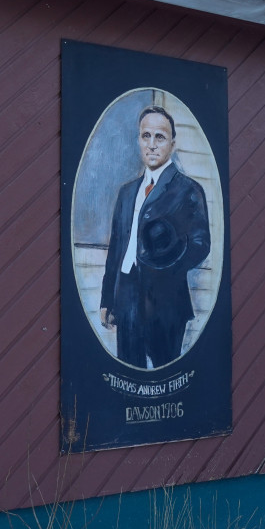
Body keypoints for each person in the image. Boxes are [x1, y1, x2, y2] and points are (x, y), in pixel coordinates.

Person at [99, 106, 210, 368]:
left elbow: (200, 245)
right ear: (138, 140)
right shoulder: (127, 193)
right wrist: (107, 299)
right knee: (128, 371)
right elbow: (116, 249)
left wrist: (165, 266)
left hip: (166, 301)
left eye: (159, 137)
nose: (151, 144)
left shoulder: (188, 190)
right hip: (125, 297)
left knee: (165, 373)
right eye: (145, 136)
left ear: (172, 143)